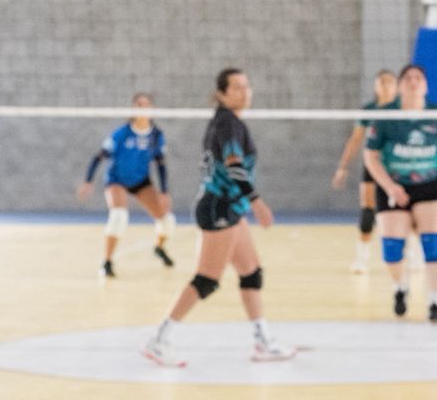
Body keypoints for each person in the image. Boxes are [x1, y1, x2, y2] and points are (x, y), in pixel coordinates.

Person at [142, 68, 294, 367]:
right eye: (236, 87)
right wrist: (257, 202)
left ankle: (262, 341)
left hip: (230, 207)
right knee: (207, 280)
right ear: (222, 94)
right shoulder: (227, 123)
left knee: (251, 272)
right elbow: (234, 166)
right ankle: (159, 340)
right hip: (219, 207)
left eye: (246, 86)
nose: (244, 92)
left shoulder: (228, 122)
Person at [364, 63, 437, 322]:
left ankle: (435, 300)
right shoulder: (385, 116)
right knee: (391, 248)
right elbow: (370, 156)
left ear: (426, 85)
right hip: (395, 184)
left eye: (418, 77)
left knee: (432, 242)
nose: (413, 81)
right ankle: (400, 287)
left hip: (434, 183)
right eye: (407, 77)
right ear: (400, 85)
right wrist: (389, 186)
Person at [78, 92, 175, 277]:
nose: (143, 108)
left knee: (167, 221)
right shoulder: (122, 133)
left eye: (146, 105)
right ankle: (107, 262)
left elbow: (161, 164)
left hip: (141, 181)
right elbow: (99, 157)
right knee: (119, 216)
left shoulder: (156, 136)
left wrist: (164, 191)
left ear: (152, 109)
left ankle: (159, 247)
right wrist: (88, 181)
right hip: (117, 180)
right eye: (139, 105)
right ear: (132, 109)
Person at [332, 69, 399, 273]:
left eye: (389, 82)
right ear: (375, 86)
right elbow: (355, 140)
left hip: (398, 166)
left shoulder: (402, 109)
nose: (385, 85)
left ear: (396, 86)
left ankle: (414, 256)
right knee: (368, 211)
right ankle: (362, 259)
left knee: (405, 210)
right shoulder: (369, 110)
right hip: (373, 164)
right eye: (381, 82)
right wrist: (343, 167)